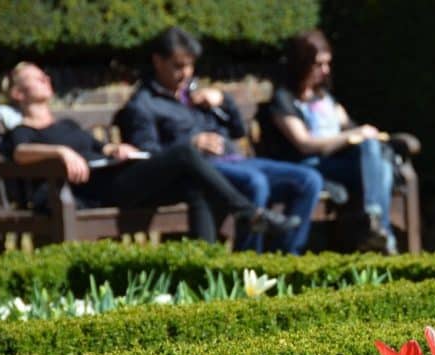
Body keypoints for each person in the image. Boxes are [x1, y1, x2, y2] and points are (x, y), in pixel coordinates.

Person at [0, 62, 299, 244]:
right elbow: (21, 153)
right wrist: (61, 152)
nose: (46, 80)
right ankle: (247, 212)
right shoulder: (24, 130)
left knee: (194, 184)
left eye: (46, 76)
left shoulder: (68, 123)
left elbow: (101, 147)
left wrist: (117, 148)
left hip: (118, 178)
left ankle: (203, 268)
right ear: (18, 94)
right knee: (184, 153)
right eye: (37, 78)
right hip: (92, 190)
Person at [117, 27, 325, 255]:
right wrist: (193, 143)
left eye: (190, 65)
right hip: (205, 170)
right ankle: (249, 263)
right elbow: (151, 157)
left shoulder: (194, 94)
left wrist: (223, 100)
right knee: (255, 182)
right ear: (158, 61)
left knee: (309, 180)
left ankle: (288, 258)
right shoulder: (143, 105)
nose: (186, 73)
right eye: (178, 66)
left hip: (237, 159)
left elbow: (237, 131)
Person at [266, 29, 397, 254]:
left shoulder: (326, 98)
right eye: (318, 64)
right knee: (380, 165)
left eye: (327, 64)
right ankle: (380, 231)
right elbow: (304, 144)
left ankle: (375, 226)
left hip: (340, 164)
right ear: (301, 63)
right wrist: (350, 136)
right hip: (310, 165)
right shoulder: (284, 100)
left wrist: (365, 134)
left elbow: (348, 126)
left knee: (377, 155)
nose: (325, 71)